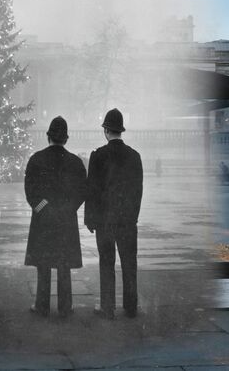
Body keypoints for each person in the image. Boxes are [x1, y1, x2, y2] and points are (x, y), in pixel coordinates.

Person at [24, 116, 87, 318]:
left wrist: (45, 209)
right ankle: (65, 307)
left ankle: (42, 306)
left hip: (43, 220)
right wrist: (66, 210)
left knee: (43, 265)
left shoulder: (36, 159)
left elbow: (30, 191)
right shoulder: (76, 163)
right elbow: (81, 193)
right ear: (66, 139)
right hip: (66, 220)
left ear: (48, 136)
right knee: (64, 264)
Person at [85, 108, 143, 319]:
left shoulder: (98, 156)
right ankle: (131, 306)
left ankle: (107, 306)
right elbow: (138, 191)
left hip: (105, 220)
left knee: (106, 263)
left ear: (106, 130)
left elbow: (92, 190)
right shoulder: (135, 156)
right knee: (129, 263)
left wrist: (90, 220)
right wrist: (133, 216)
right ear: (121, 130)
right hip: (127, 220)